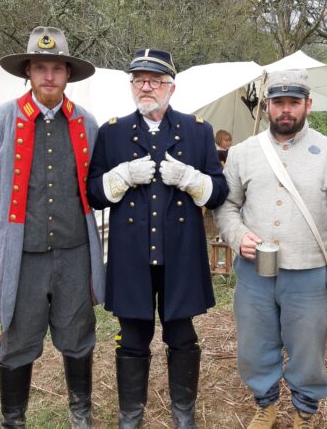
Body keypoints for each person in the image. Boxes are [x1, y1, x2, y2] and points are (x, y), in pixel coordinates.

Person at [0, 27, 105, 429]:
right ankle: (14, 419)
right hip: (22, 257)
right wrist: (6, 229)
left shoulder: (87, 124)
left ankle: (80, 412)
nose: (48, 76)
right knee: (17, 336)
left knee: (78, 333)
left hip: (74, 252)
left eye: (56, 68)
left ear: (67, 75)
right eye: (40, 67)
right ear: (28, 71)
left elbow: (96, 182)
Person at [214, 69, 327, 429]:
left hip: (310, 275)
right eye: (278, 102)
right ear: (266, 106)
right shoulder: (241, 154)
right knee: (254, 347)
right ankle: (265, 405)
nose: (286, 110)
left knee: (308, 353)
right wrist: (237, 236)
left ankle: (304, 412)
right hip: (254, 274)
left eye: (293, 103)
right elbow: (226, 206)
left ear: (308, 105)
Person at [87, 48, 228, 428]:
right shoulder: (112, 132)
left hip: (180, 254)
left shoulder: (198, 131)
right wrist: (118, 177)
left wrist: (192, 180)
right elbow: (93, 194)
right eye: (138, 79)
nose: (146, 86)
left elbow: (219, 191)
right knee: (132, 334)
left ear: (171, 86)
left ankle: (184, 414)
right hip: (131, 255)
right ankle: (130, 415)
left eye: (155, 80)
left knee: (182, 333)